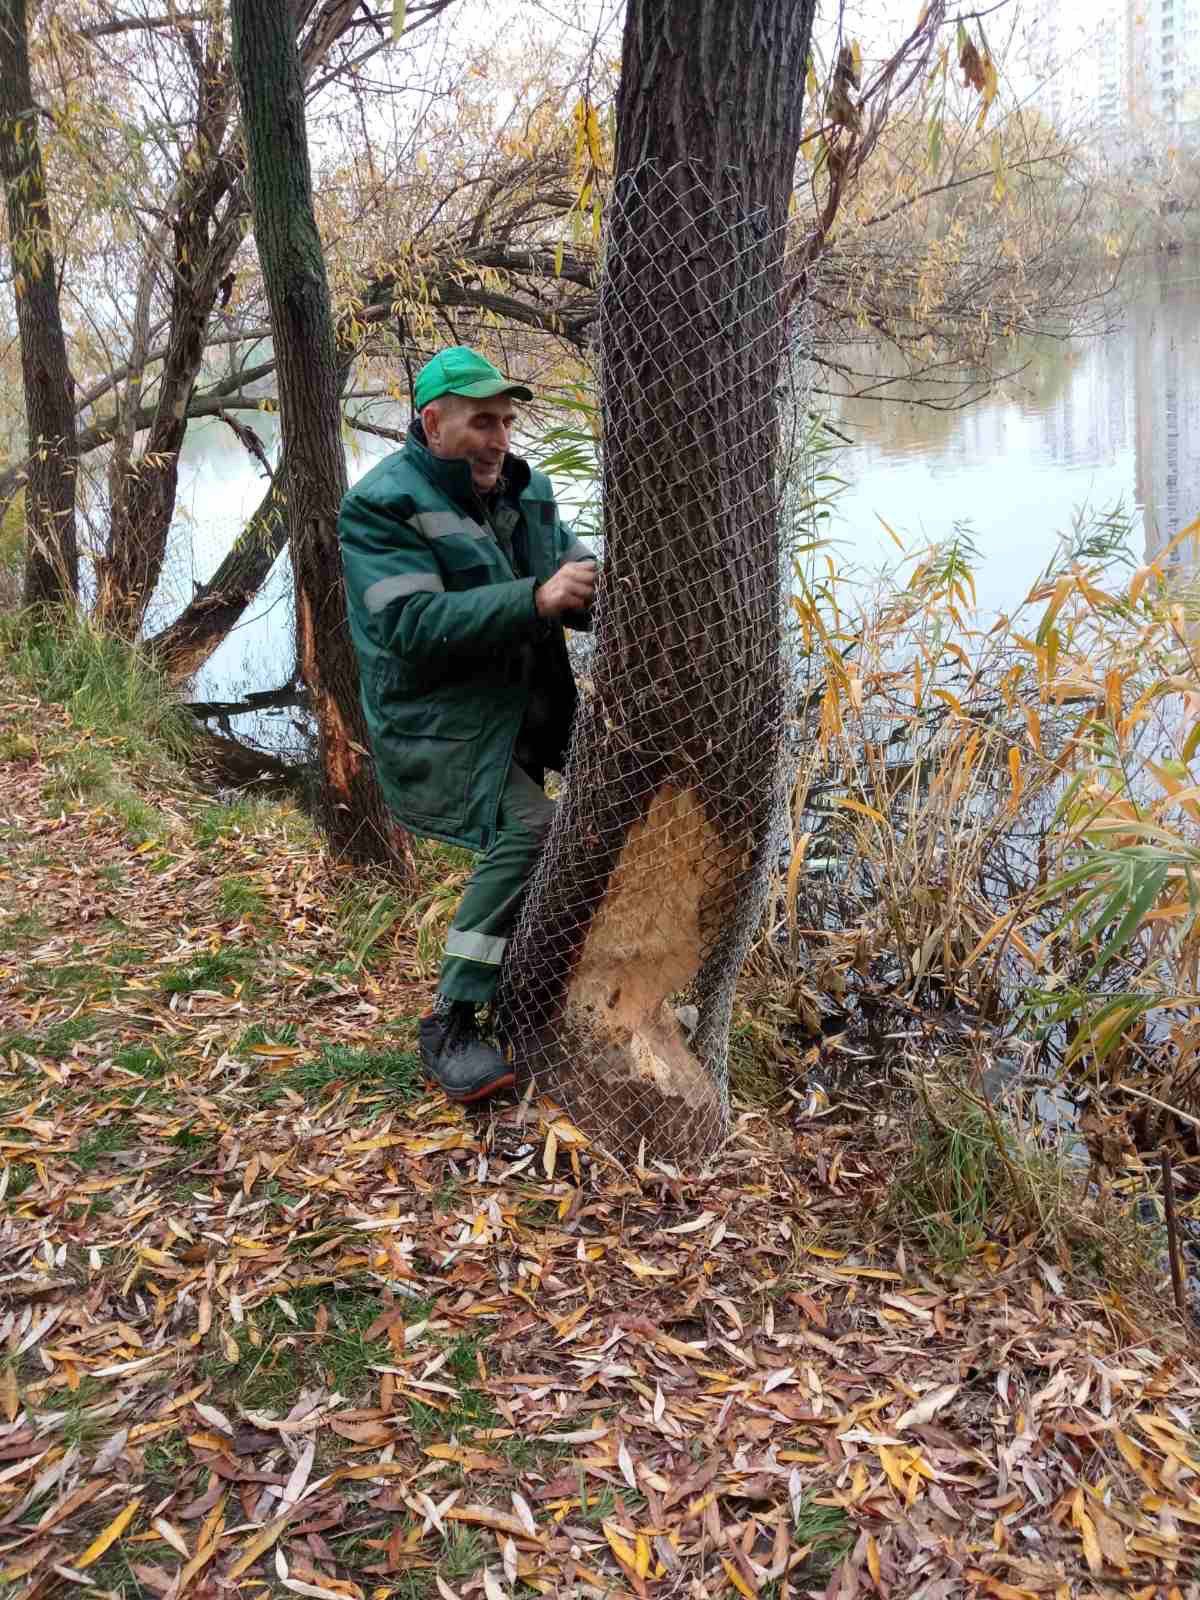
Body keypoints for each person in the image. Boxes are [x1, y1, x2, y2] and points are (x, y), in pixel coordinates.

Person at [338, 346, 596, 1103]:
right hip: (439, 727)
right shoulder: (382, 504)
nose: (499, 438)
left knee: (604, 819)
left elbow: (571, 576)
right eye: (483, 421)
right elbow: (411, 623)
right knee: (534, 829)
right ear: (432, 421)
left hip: (521, 711)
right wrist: (536, 600)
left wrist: (602, 594)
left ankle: (555, 986)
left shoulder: (529, 490)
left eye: (507, 421)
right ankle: (451, 1020)